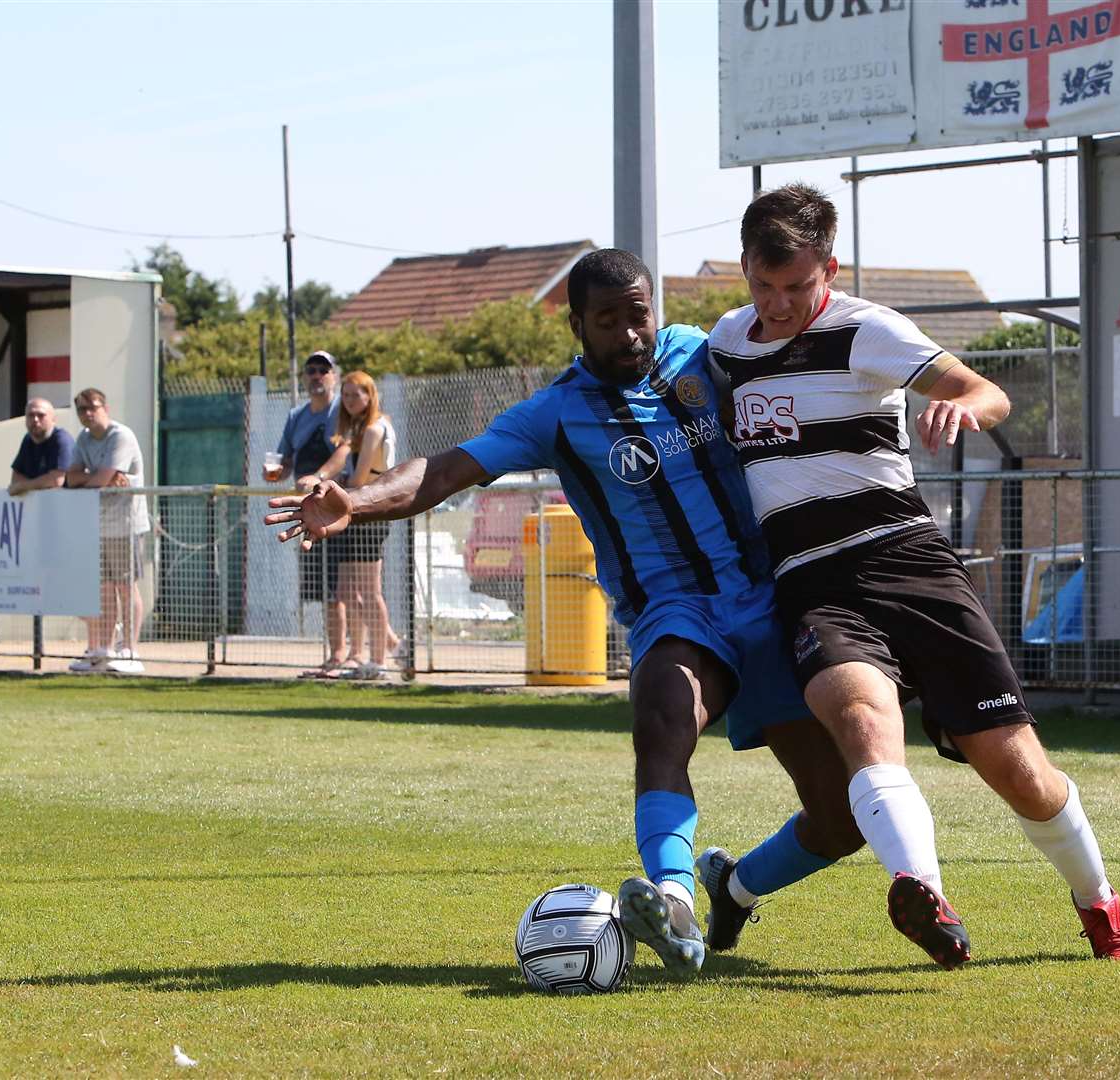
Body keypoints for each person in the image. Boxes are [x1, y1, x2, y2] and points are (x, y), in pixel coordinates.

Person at [267, 249, 864, 977]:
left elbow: (809, 360)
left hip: (770, 598)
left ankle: (730, 887)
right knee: (663, 716)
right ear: (578, 325)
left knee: (839, 820)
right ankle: (674, 900)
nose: (627, 335)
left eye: (637, 315)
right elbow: (449, 467)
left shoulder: (708, 355)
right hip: (677, 609)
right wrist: (355, 501)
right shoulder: (555, 412)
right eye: (606, 322)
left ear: (657, 308)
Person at [706, 183, 1120, 966]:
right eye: (762, 285)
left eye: (796, 286)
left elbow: (989, 391)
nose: (776, 303)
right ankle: (925, 893)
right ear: (744, 267)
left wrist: (965, 407)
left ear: (829, 270)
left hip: (909, 563)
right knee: (866, 726)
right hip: (814, 582)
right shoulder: (727, 344)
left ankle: (1100, 903)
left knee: (1020, 773)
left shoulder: (867, 330)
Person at [314, 371, 399, 680]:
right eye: (346, 395)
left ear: (369, 396)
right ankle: (386, 645)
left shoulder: (375, 429)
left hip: (371, 513)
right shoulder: (356, 430)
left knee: (369, 590)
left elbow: (360, 479)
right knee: (347, 590)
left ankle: (380, 661)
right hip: (356, 513)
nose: (349, 401)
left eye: (356, 395)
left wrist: (332, 485)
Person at [271, 351, 348, 677]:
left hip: (337, 509)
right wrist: (276, 470)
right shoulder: (296, 416)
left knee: (342, 587)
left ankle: (341, 655)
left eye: (323, 370)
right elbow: (284, 459)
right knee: (322, 587)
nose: (317, 376)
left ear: (334, 376)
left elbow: (344, 453)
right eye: (311, 371)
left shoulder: (342, 411)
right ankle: (344, 653)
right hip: (307, 511)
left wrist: (320, 477)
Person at [64, 388, 150, 674]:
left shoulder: (120, 436)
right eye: (82, 410)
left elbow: (98, 478)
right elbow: (72, 477)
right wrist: (96, 478)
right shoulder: (83, 439)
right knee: (103, 589)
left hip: (126, 524)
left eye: (93, 407)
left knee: (126, 586)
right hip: (98, 524)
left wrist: (93, 478)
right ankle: (104, 650)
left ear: (106, 408)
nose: (88, 413)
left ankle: (130, 651)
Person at [8, 398, 75, 495]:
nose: (35, 420)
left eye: (41, 415)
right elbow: (16, 478)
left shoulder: (61, 439)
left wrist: (23, 486)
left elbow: (56, 480)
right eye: (31, 415)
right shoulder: (28, 440)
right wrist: (31, 485)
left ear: (53, 420)